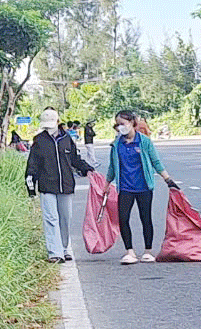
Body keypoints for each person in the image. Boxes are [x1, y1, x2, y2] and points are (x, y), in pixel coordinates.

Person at [23, 118, 91, 262]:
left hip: (66, 186)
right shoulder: (39, 141)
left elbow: (75, 159)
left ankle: (64, 248)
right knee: (51, 219)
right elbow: (32, 164)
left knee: (65, 219)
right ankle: (54, 252)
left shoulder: (67, 139)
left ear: (58, 122)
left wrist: (87, 169)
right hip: (47, 186)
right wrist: (31, 187)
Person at [105, 110, 168, 263]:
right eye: (118, 124)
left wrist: (167, 179)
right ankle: (130, 251)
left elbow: (156, 162)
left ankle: (147, 251)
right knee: (123, 218)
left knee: (145, 218)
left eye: (123, 124)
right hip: (125, 187)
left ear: (132, 122)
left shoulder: (144, 141)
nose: (120, 127)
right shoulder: (116, 144)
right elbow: (112, 167)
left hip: (144, 187)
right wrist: (106, 184)